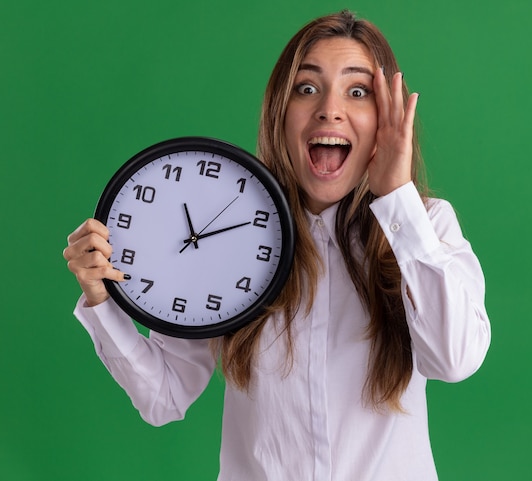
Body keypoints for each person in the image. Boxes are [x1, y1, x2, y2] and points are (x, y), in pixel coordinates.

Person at [63, 10, 490, 480]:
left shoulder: (426, 225)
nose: (330, 108)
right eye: (307, 88)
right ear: (279, 113)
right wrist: (102, 301)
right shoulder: (226, 238)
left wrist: (396, 202)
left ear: (384, 120)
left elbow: (454, 359)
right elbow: (163, 397)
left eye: (358, 91)